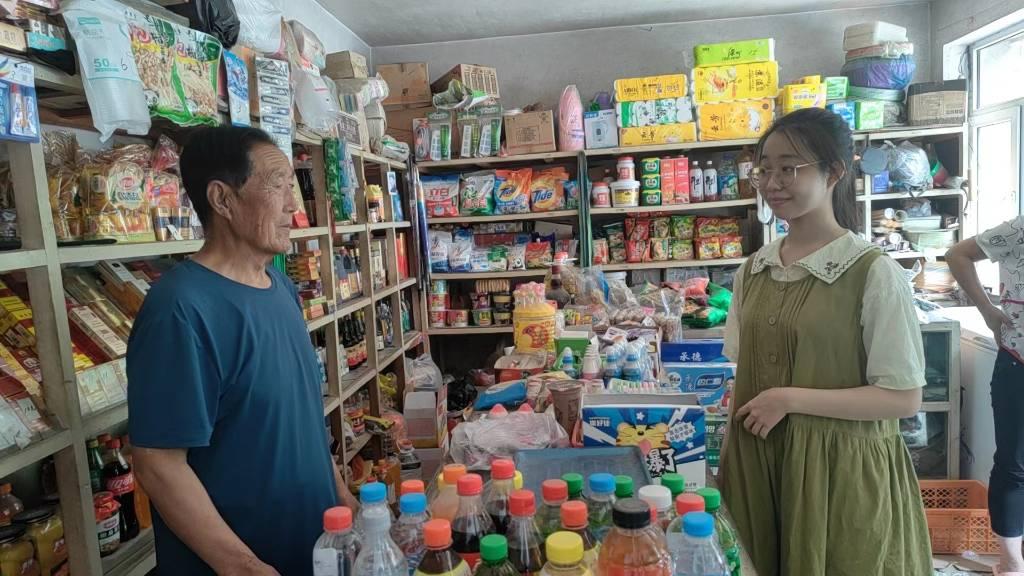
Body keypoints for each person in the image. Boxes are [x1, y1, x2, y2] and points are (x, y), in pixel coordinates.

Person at [127, 126, 358, 576]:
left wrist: (343, 500)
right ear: (222, 199)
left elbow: (299, 421)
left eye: (294, 186)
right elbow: (158, 465)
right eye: (278, 185)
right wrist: (243, 567)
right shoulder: (180, 310)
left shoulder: (282, 289)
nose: (295, 204)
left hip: (311, 551)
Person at [719, 108, 932, 575]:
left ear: (834, 171)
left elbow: (902, 398)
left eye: (789, 167)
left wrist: (790, 399)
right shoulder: (753, 270)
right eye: (765, 169)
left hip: (840, 474)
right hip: (760, 464)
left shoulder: (872, 273)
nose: (773, 181)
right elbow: (745, 370)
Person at [947, 216, 1024, 576]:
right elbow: (958, 254)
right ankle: (1011, 563)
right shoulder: (1020, 227)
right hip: (1018, 362)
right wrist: (988, 312)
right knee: (1014, 464)